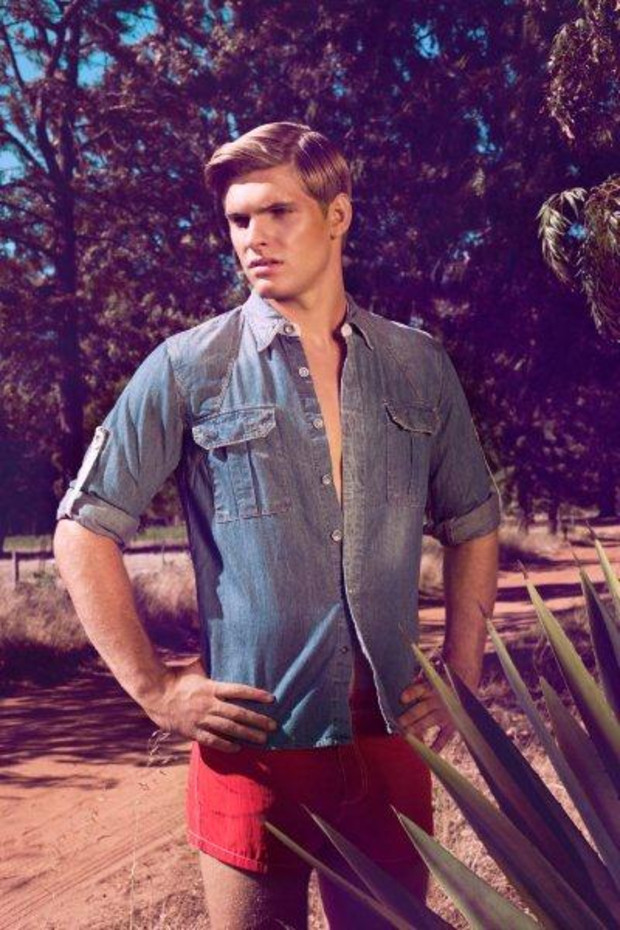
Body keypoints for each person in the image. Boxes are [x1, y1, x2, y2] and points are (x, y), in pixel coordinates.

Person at [53, 121, 501, 929]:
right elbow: (83, 529)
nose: (253, 238)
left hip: (389, 740)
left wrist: (462, 666)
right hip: (255, 746)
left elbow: (473, 519)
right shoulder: (188, 366)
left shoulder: (418, 364)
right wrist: (156, 690)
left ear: (338, 215)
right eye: (238, 219)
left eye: (278, 212)